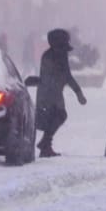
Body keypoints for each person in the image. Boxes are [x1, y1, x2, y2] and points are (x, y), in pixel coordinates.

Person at [35, 28, 87, 158]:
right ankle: (45, 144)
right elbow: (52, 76)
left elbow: (67, 75)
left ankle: (45, 145)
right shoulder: (49, 56)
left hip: (54, 92)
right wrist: (77, 92)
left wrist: (78, 92)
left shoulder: (59, 55)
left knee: (56, 117)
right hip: (49, 93)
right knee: (57, 116)